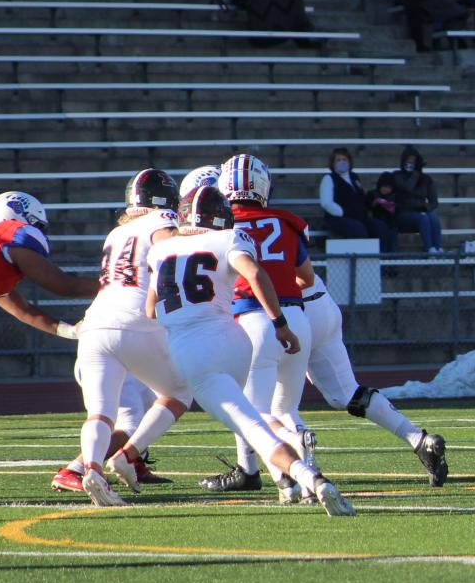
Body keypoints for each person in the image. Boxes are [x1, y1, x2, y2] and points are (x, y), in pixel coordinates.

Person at [144, 184, 354, 516]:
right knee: (256, 418)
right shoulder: (228, 238)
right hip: (235, 340)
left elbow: (150, 310)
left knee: (253, 424)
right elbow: (255, 272)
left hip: (194, 353)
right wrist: (280, 323)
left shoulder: (160, 250)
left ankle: (306, 479)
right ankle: (292, 480)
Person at [71, 169, 193, 506]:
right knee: (179, 392)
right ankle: (127, 454)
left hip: (95, 324)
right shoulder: (163, 219)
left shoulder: (116, 232)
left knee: (100, 413)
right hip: (135, 322)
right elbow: (170, 245)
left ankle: (92, 469)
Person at [202, 154, 318, 504]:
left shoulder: (219, 226)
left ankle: (284, 478)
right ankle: (291, 455)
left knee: (252, 414)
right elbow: (306, 278)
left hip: (252, 319)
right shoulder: (287, 223)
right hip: (297, 315)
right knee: (285, 409)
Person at [293, 269, 449, 486]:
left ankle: (292, 474)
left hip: (286, 308)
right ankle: (419, 440)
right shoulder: (286, 233)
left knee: (272, 405)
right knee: (346, 395)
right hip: (319, 301)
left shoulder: (239, 237)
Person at [0, 192, 98, 411]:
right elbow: (64, 286)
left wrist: (69, 331)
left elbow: (22, 310)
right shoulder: (12, 232)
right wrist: (118, 286)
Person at [319, 148, 396, 253]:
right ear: (332, 163)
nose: (342, 162)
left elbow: (361, 197)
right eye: (338, 160)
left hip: (358, 217)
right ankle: (361, 265)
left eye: (344, 159)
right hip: (337, 219)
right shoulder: (329, 179)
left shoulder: (354, 178)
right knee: (358, 230)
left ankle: (383, 264)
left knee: (380, 227)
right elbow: (326, 202)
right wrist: (342, 212)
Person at [390, 145, 443, 254]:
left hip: (421, 212)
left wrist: (426, 208)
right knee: (422, 218)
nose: (410, 164)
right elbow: (408, 187)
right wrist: (416, 173)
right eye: (408, 161)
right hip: (403, 214)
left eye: (414, 161)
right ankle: (430, 249)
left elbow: (434, 201)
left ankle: (438, 248)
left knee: (433, 217)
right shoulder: (397, 176)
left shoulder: (426, 179)